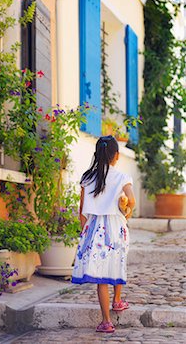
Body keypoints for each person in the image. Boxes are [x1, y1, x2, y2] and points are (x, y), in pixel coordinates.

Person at [72, 135, 136, 334]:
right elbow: (131, 201)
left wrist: (84, 230)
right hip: (116, 228)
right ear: (116, 155)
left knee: (101, 277)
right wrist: (126, 206)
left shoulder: (87, 177)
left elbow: (82, 209)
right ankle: (117, 301)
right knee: (117, 263)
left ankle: (106, 321)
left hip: (94, 230)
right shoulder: (122, 177)